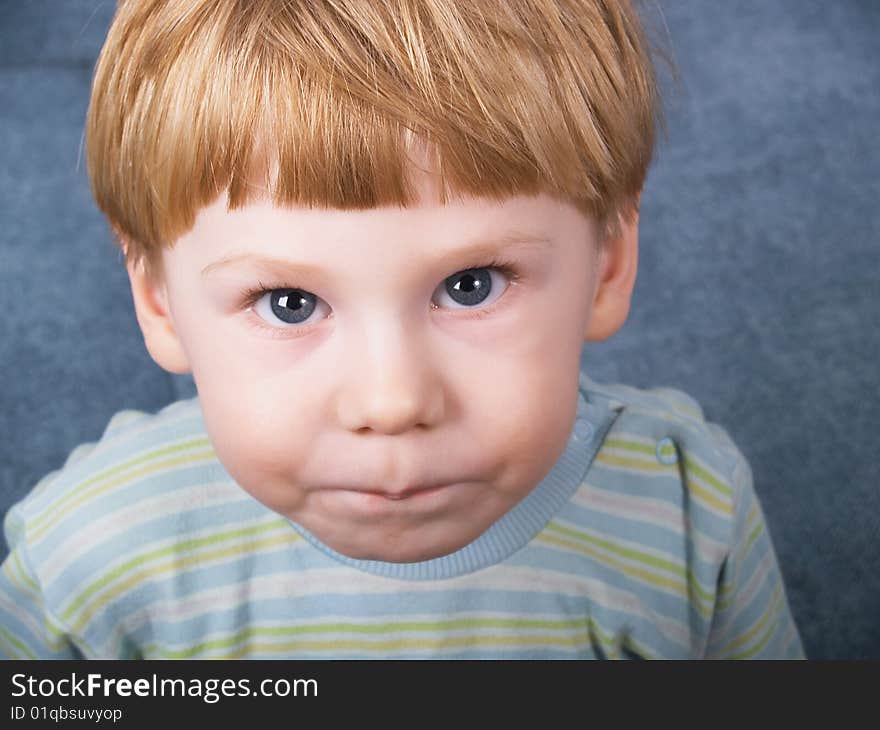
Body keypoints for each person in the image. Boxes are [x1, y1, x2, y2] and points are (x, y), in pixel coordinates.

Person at [0, 0, 803, 659]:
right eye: (289, 303)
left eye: (470, 286)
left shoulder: (690, 519)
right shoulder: (86, 559)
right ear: (159, 300)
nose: (392, 401)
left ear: (608, 263)